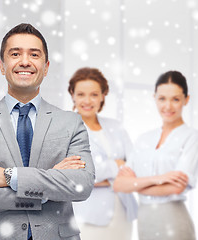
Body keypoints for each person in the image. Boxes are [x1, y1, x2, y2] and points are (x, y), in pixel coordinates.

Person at [0, 23, 95, 240]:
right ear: (2, 66)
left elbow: (81, 185)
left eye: (34, 54)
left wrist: (10, 176)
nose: (24, 61)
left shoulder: (71, 122)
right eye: (15, 54)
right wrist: (44, 191)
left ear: (46, 66)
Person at [113, 70, 198, 240]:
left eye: (175, 99)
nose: (168, 106)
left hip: (174, 221)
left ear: (186, 99)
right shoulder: (144, 139)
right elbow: (119, 184)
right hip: (145, 221)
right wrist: (158, 179)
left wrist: (135, 183)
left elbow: (176, 187)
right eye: (162, 98)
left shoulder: (193, 137)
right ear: (154, 98)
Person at [68, 67, 137, 240]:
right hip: (89, 216)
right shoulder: (66, 129)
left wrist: (100, 177)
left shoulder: (116, 127)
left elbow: (135, 164)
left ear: (103, 96)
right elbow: (76, 176)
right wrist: (117, 166)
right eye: (81, 94)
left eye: (94, 94)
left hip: (123, 211)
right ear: (72, 94)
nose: (87, 100)